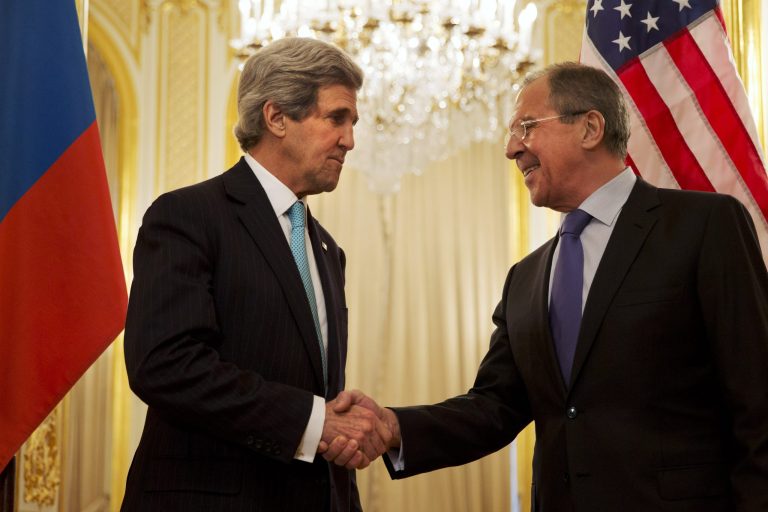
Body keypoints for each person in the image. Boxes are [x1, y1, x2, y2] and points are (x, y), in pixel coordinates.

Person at [324, 62, 768, 511]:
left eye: (526, 127)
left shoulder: (703, 225)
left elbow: (758, 400)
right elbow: (494, 407)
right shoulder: (526, 277)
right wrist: (391, 427)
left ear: (590, 128)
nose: (511, 149)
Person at [122, 37, 391, 512]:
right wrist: (315, 423)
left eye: (352, 123)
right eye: (336, 118)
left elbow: (314, 392)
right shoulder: (187, 215)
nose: (350, 140)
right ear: (276, 117)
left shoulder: (327, 249)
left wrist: (338, 427)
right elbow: (165, 365)